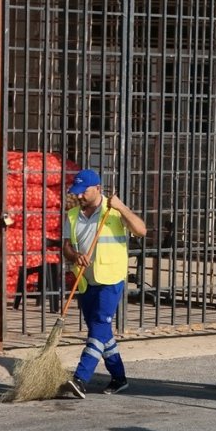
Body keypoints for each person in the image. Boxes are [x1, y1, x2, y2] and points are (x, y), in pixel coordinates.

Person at [59, 169, 147, 398]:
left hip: (110, 278)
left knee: (98, 325)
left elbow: (141, 230)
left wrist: (121, 207)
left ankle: (80, 378)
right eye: (77, 192)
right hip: (85, 280)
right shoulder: (72, 214)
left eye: (84, 192)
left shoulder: (113, 211)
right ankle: (119, 378)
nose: (79, 196)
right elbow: (66, 246)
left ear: (98, 188)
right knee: (101, 331)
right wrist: (75, 255)